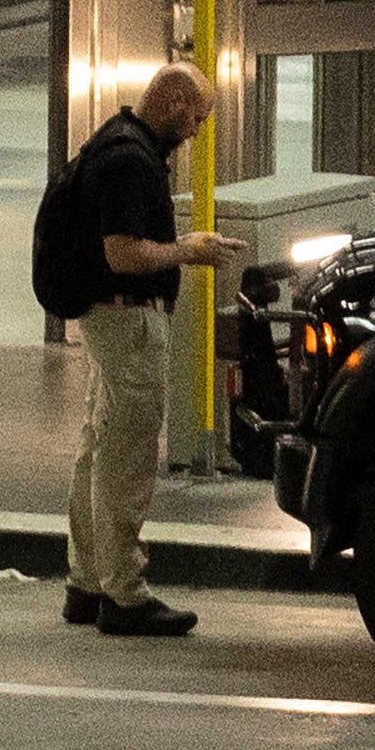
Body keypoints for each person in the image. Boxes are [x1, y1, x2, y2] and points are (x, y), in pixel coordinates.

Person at [64, 65, 241, 639]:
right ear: (170, 101)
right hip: (128, 320)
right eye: (196, 116)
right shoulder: (130, 161)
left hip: (110, 319)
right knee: (127, 456)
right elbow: (123, 254)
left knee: (98, 448)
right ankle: (125, 595)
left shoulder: (114, 140)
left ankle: (87, 584)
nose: (196, 131)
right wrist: (189, 249)